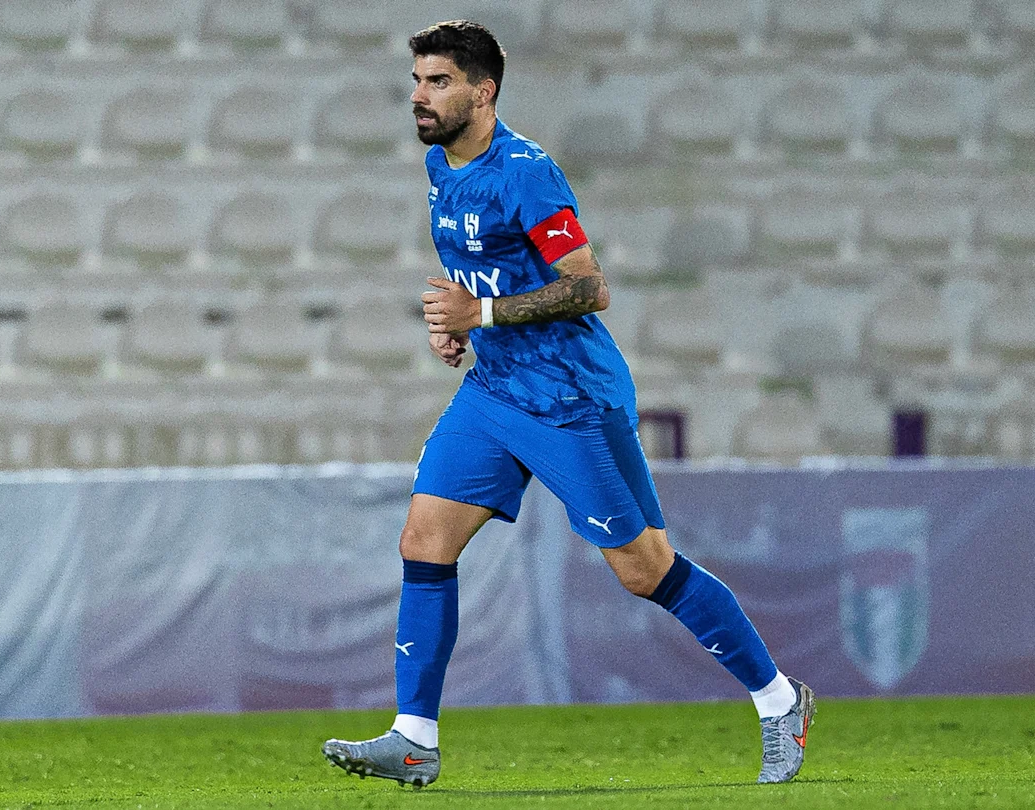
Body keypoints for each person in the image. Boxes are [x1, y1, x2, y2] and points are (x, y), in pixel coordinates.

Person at [322, 20, 813, 789]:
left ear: (483, 92)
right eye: (417, 79)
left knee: (644, 570)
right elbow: (483, 269)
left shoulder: (527, 171)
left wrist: (479, 317)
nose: (419, 95)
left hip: (568, 397)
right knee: (424, 540)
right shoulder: (439, 165)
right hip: (493, 391)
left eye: (438, 81)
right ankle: (413, 738)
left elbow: (589, 287)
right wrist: (454, 328)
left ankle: (780, 701)